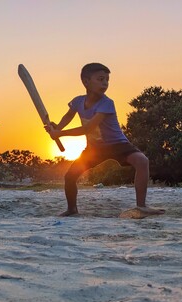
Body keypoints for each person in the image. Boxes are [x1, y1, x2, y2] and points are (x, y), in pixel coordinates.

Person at [46, 62, 163, 218]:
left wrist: (59, 134)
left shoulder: (107, 103)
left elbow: (87, 129)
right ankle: (72, 209)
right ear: (86, 82)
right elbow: (68, 116)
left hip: (118, 145)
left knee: (142, 161)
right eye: (100, 79)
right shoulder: (78, 102)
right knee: (70, 176)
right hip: (94, 149)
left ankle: (141, 206)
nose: (105, 83)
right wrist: (57, 128)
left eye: (107, 80)